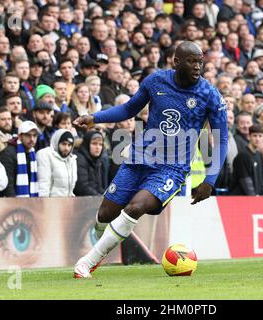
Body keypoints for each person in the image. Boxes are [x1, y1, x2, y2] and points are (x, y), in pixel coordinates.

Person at [71, 41, 228, 278]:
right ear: (176, 62)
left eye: (200, 61)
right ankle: (105, 243)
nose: (198, 66)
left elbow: (222, 140)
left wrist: (210, 179)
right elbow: (129, 110)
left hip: (172, 168)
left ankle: (87, 262)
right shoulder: (156, 81)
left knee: (137, 206)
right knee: (105, 215)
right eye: (191, 61)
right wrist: (94, 118)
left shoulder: (210, 95)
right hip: (141, 157)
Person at [0, 121, 40, 197]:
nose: (32, 139)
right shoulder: (8, 153)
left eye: (35, 135)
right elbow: (8, 185)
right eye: (28, 135)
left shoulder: (32, 153)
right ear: (20, 136)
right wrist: (16, 203)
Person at [36, 129, 77, 197]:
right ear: (57, 142)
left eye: (69, 145)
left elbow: (70, 189)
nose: (66, 148)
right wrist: (43, 205)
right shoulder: (45, 155)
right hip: (51, 204)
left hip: (67, 204)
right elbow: (43, 185)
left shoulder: (72, 159)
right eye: (63, 144)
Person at [229, 124, 263, 195]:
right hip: (240, 199)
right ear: (249, 137)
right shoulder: (243, 156)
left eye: (260, 136)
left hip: (255, 198)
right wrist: (254, 198)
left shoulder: (260, 155)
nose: (257, 139)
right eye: (254, 136)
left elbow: (262, 179)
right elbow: (245, 181)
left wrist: (262, 196)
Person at [73, 130, 108, 196]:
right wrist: (100, 198)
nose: (98, 147)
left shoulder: (97, 160)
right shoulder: (79, 159)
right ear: (87, 144)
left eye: (100, 144)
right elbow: (82, 187)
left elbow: (97, 186)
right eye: (94, 143)